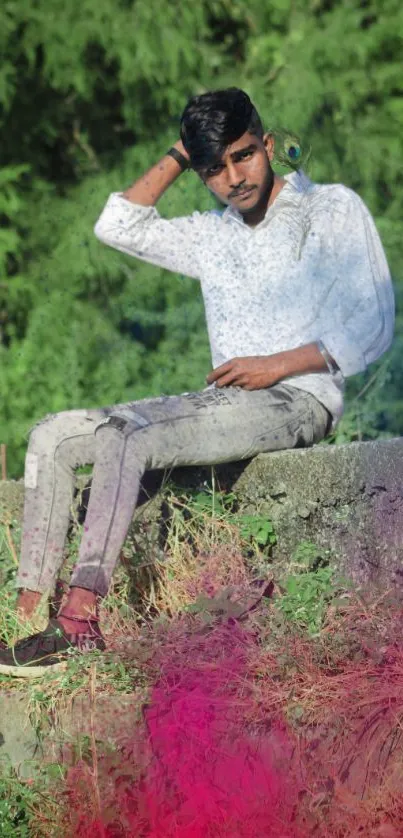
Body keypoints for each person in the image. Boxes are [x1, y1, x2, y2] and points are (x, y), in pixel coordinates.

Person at [0, 88, 394, 676]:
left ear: (266, 143)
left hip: (297, 399)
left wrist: (276, 364)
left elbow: (375, 323)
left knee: (126, 433)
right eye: (215, 168)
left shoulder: (329, 210)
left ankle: (79, 624)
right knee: (51, 435)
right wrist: (184, 150)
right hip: (224, 402)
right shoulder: (212, 235)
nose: (234, 177)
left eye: (243, 155)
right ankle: (24, 618)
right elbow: (116, 223)